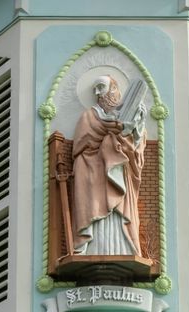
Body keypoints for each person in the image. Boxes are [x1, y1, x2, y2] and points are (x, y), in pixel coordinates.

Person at [68, 74, 146, 258]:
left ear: (114, 89)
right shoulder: (89, 116)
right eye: (96, 89)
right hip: (93, 176)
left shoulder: (126, 115)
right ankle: (90, 249)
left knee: (118, 214)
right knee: (96, 210)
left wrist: (137, 125)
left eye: (102, 87)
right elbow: (80, 146)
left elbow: (136, 149)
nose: (98, 93)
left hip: (120, 173)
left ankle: (124, 249)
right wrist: (108, 145)